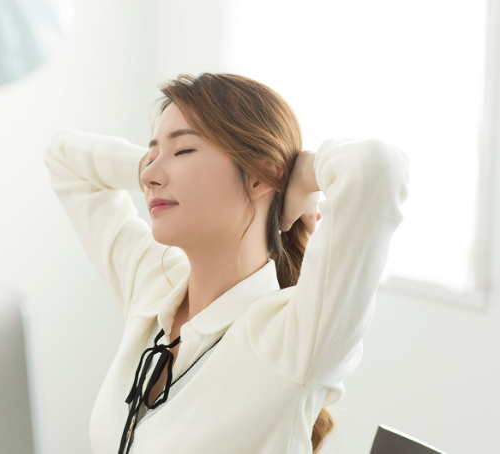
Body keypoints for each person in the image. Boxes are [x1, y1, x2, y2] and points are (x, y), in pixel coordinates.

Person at [43, 72, 410, 454]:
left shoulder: (292, 339)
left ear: (259, 177)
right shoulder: (155, 286)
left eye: (183, 151)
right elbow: (63, 158)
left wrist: (302, 172)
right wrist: (154, 164)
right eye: (151, 156)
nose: (147, 176)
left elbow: (377, 168)